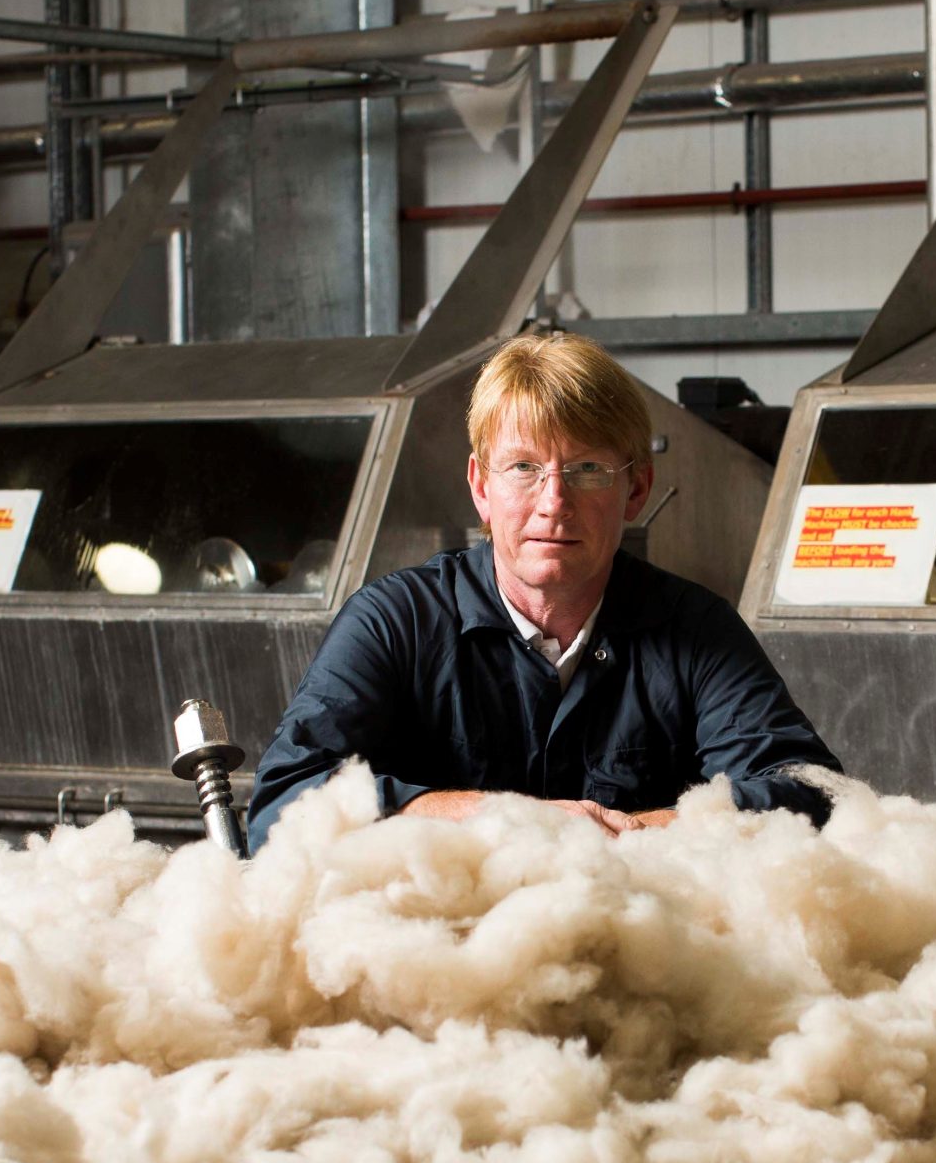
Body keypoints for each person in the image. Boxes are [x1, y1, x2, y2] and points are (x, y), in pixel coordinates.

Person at [246, 330, 838, 850]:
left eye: (587, 470)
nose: (554, 503)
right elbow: (284, 804)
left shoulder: (696, 631)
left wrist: (635, 832)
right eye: (523, 468)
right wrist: (501, 819)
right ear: (482, 487)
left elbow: (812, 794)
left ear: (636, 490)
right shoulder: (393, 623)